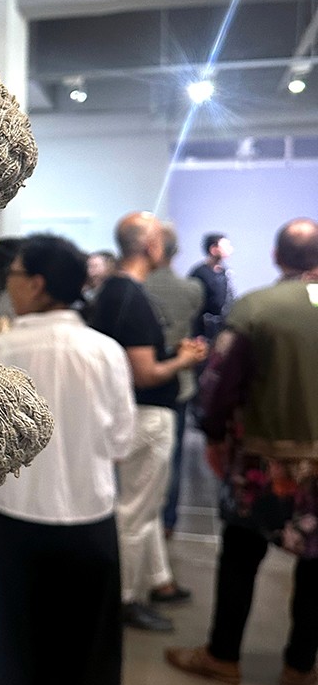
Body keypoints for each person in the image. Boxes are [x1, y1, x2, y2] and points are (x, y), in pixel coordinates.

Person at [0, 234, 136, 685]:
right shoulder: (104, 352)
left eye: (16, 273)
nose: (11, 283)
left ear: (38, 284)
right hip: (87, 529)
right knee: (85, 664)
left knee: (9, 653)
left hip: (11, 525)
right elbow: (121, 441)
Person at [166, 218, 318, 685]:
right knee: (316, 566)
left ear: (277, 257)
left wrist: (213, 437)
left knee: (239, 556)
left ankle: (223, 656)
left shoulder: (255, 308)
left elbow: (218, 384)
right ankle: (299, 667)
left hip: (261, 463)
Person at [88, 213, 207, 631]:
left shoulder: (113, 291)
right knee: (135, 513)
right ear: (151, 246)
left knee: (146, 506)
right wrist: (184, 360)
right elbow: (145, 373)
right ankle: (123, 598)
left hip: (128, 412)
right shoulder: (132, 296)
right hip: (146, 414)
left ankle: (159, 581)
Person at [143, 223, 204, 539]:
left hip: (139, 380)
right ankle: (167, 520)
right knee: (174, 455)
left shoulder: (137, 288)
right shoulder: (192, 289)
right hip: (179, 380)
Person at [189, 231, 234, 348]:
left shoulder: (225, 273)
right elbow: (192, 304)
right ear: (213, 249)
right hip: (203, 331)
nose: (230, 249)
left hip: (222, 329)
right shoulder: (199, 273)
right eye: (225, 246)